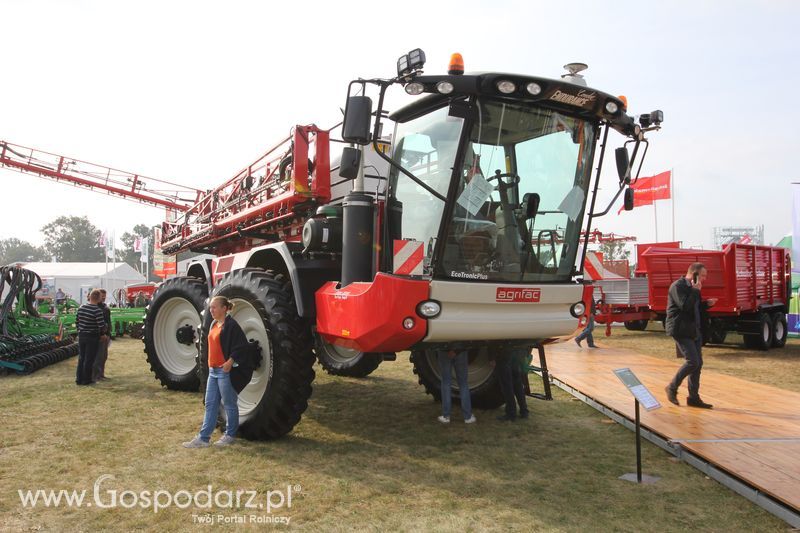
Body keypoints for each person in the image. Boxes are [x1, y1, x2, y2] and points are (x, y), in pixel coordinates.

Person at [183, 295, 251, 448]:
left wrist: (230, 362)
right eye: (210, 307)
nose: (211, 310)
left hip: (225, 372)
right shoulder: (214, 324)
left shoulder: (232, 325)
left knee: (229, 404)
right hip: (213, 372)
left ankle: (230, 435)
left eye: (214, 307)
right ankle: (203, 438)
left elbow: (241, 347)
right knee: (210, 404)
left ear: (224, 308)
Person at [665, 263, 718, 409]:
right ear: (694, 274)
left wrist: (706, 304)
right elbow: (684, 306)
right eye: (702, 276)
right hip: (680, 329)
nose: (704, 279)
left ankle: (693, 398)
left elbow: (694, 306)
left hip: (693, 329)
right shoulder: (678, 286)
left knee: (698, 364)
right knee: (692, 362)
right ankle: (672, 388)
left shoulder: (694, 288)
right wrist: (695, 291)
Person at [75, 289, 107, 386]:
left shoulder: (81, 308)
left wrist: (80, 330)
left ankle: (79, 379)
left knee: (81, 358)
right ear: (98, 298)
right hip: (92, 336)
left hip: (82, 335)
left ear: (90, 297)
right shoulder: (97, 310)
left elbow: (77, 322)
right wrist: (103, 332)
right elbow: (101, 326)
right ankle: (87, 380)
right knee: (89, 359)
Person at [437, 348, 476, 424]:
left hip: (444, 350)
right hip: (461, 349)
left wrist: (448, 350)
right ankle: (468, 417)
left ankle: (446, 416)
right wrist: (457, 350)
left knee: (446, 382)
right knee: (463, 383)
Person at [495, 346, 530, 421]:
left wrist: (491, 356)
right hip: (518, 352)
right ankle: (524, 411)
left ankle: (511, 413)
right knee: (518, 385)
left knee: (507, 387)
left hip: (505, 353)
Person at [93, 289, 112, 381]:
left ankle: (101, 374)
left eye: (105, 296)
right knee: (98, 356)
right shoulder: (96, 308)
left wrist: (109, 334)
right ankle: (96, 375)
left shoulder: (105, 308)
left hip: (106, 335)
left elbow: (108, 322)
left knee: (104, 356)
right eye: (102, 296)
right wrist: (102, 334)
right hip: (99, 336)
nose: (103, 297)